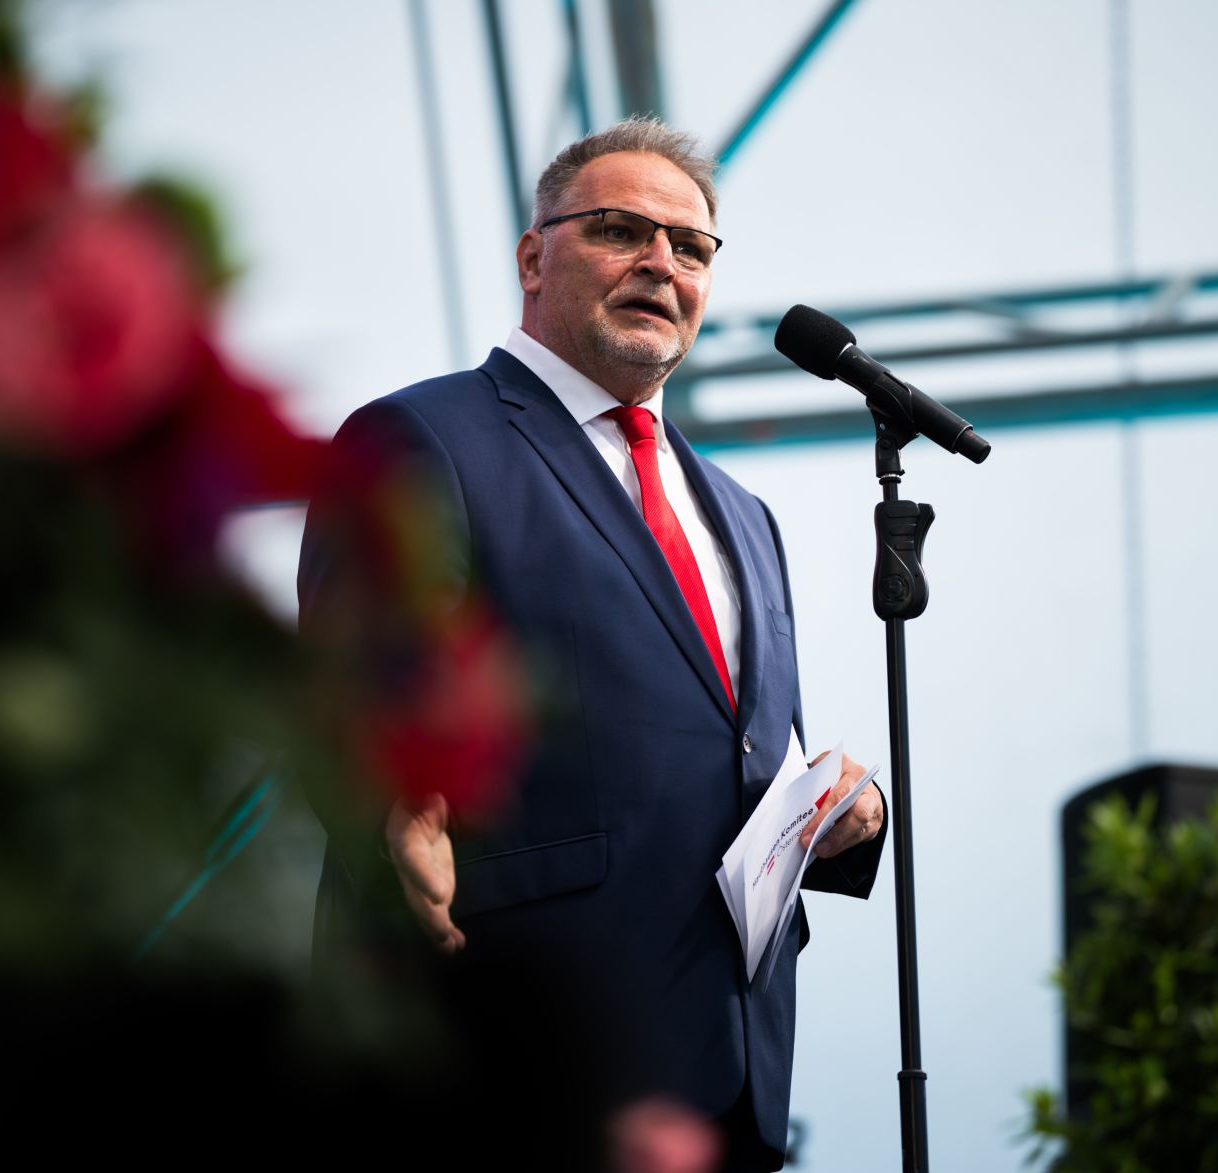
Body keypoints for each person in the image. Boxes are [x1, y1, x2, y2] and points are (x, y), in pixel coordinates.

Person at [298, 115, 886, 1173]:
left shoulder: (744, 515)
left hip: (728, 1067)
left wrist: (839, 808)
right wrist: (392, 795)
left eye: (691, 246)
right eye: (620, 231)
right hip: (510, 1052)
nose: (660, 263)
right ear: (533, 257)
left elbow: (744, 754)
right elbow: (359, 683)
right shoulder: (424, 438)